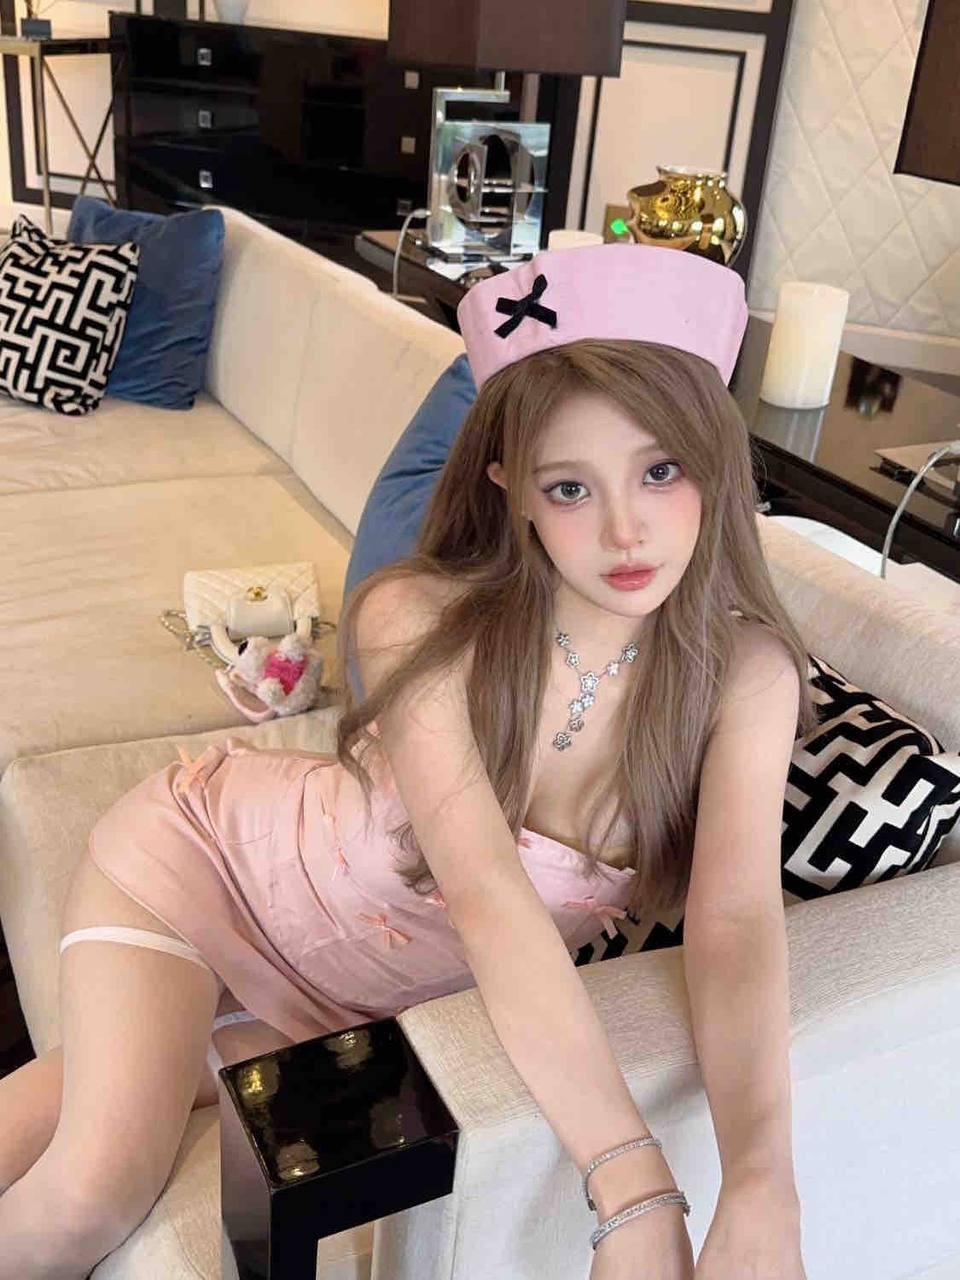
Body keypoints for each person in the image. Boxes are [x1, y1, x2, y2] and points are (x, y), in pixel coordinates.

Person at [0, 242, 818, 1280]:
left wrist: (761, 1180)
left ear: (717, 463)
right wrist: (632, 1183)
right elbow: (486, 892)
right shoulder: (418, 618)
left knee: (93, 1093)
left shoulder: (743, 677)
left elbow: (737, 924)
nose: (627, 529)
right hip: (205, 877)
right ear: (513, 490)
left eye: (662, 470)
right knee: (94, 1190)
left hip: (359, 1008)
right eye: (571, 487)